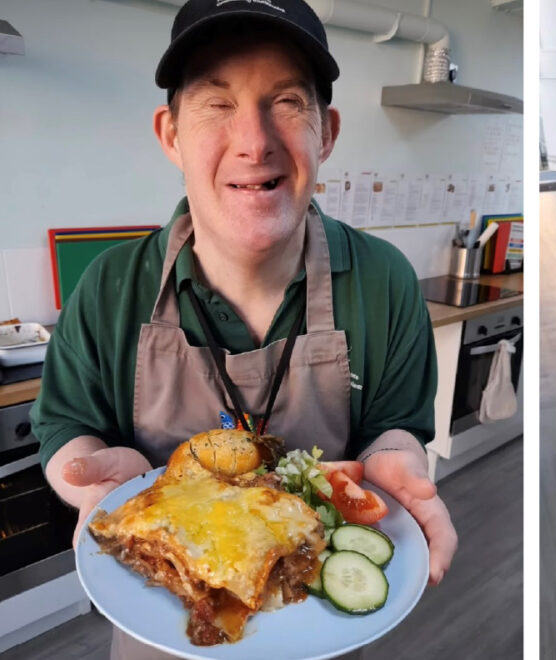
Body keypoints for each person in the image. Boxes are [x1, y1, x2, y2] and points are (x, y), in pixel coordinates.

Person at [32, 1, 458, 656]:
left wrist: (394, 461)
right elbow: (65, 425)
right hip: (159, 633)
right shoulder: (111, 285)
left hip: (322, 631)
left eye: (286, 101)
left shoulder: (384, 281)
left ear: (328, 133)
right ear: (170, 133)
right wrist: (89, 481)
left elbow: (396, 425)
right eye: (216, 102)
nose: (254, 141)